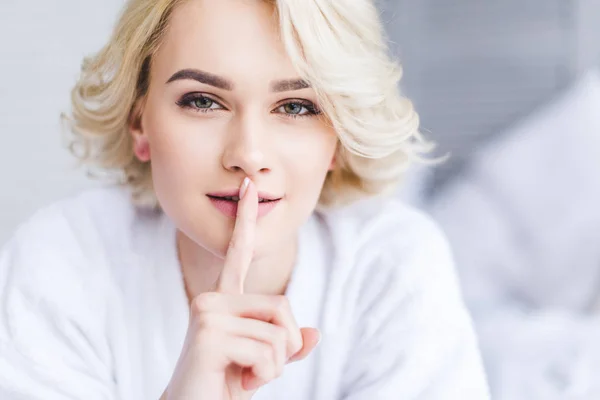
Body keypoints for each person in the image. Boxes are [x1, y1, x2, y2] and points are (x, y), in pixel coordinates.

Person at [0, 0, 489, 399]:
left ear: (339, 139)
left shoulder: (393, 263)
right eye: (203, 101)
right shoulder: (61, 261)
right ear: (139, 121)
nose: (248, 155)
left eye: (296, 106)